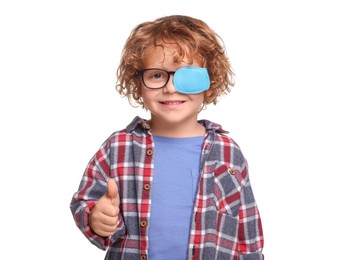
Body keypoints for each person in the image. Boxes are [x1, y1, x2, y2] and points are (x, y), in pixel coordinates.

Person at [70, 15, 264, 260]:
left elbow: (247, 228)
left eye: (187, 76)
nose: (171, 88)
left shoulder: (228, 152)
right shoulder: (118, 147)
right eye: (157, 75)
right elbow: (84, 201)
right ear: (138, 85)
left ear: (210, 83)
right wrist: (96, 218)